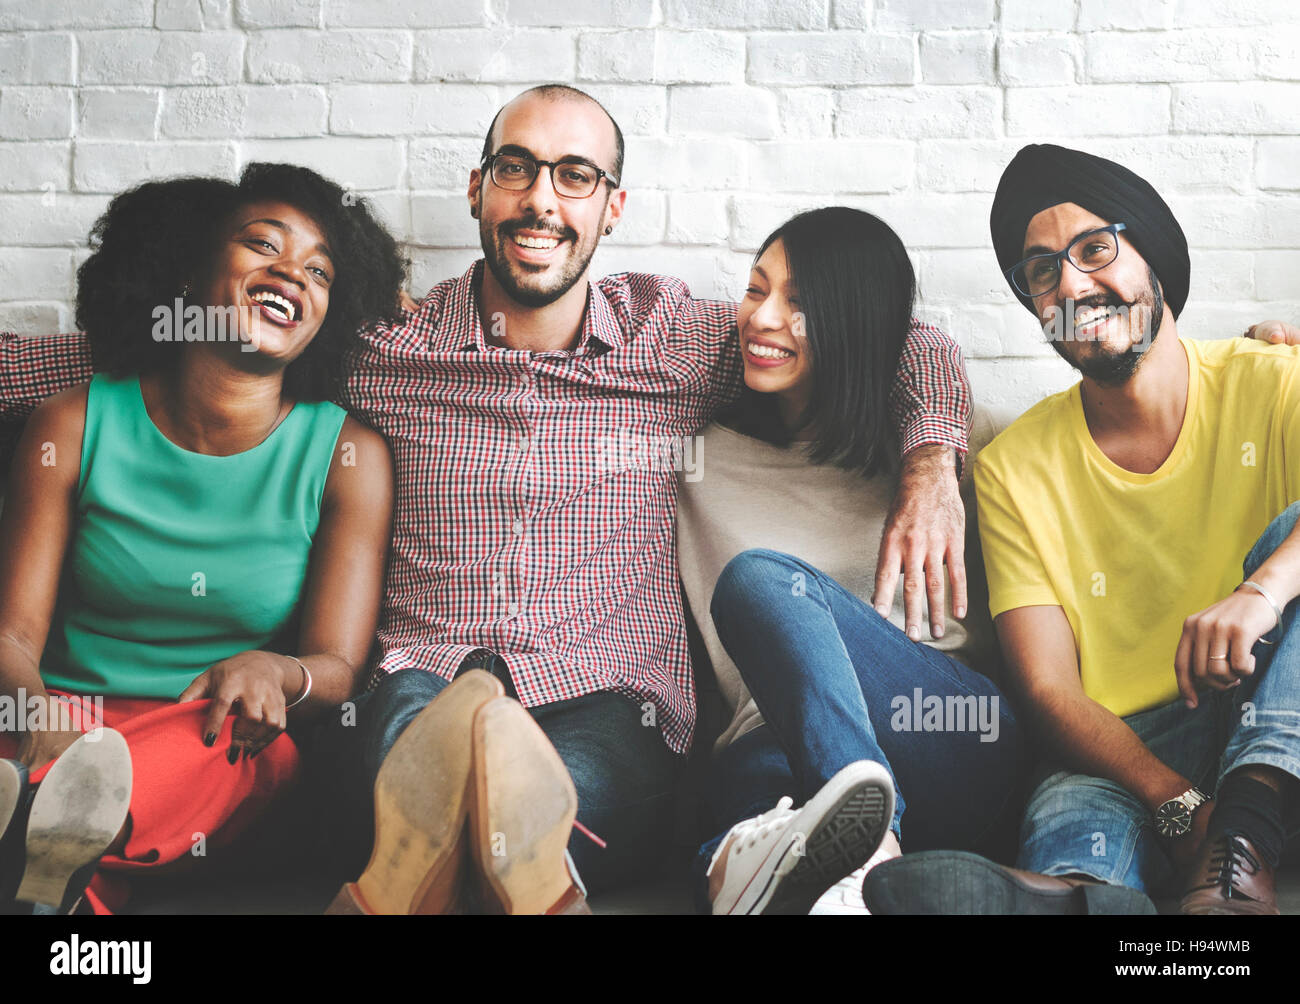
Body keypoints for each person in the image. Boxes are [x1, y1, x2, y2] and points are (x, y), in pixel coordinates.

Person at [1, 84, 974, 911]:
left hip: (610, 695)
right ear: (477, 189)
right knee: (427, 744)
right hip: (421, 674)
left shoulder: (675, 341)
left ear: (612, 207)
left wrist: (933, 462)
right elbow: (181, 346)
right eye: (516, 168)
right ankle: (494, 856)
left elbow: (899, 338)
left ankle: (435, 868)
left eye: (573, 176)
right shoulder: (388, 349)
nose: (541, 198)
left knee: (537, 800)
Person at [866, 144, 1300, 917]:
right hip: (1123, 755)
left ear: (1152, 258)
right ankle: (1077, 902)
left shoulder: (1273, 385)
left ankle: (1244, 844)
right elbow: (1049, 688)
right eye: (1041, 271)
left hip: (1272, 707)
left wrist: (1261, 596)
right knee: (1074, 827)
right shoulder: (1013, 469)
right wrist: (1172, 800)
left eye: (1095, 249)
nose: (1071, 284)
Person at [0, 163, 399, 914]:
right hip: (62, 718)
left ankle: (43, 832)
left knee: (234, 757)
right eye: (262, 245)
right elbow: (12, 636)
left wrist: (276, 672)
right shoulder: (72, 423)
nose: (293, 274)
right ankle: (64, 883)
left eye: (319, 271)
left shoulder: (348, 455)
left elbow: (341, 667)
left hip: (209, 735)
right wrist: (36, 712)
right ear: (186, 274)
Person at [675, 207, 1026, 915]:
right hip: (772, 743)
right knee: (748, 828)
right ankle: (776, 875)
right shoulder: (691, 454)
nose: (763, 317)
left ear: (855, 319)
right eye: (755, 289)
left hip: (946, 731)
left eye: (800, 303)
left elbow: (1090, 436)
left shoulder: (955, 440)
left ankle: (868, 843)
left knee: (763, 583)